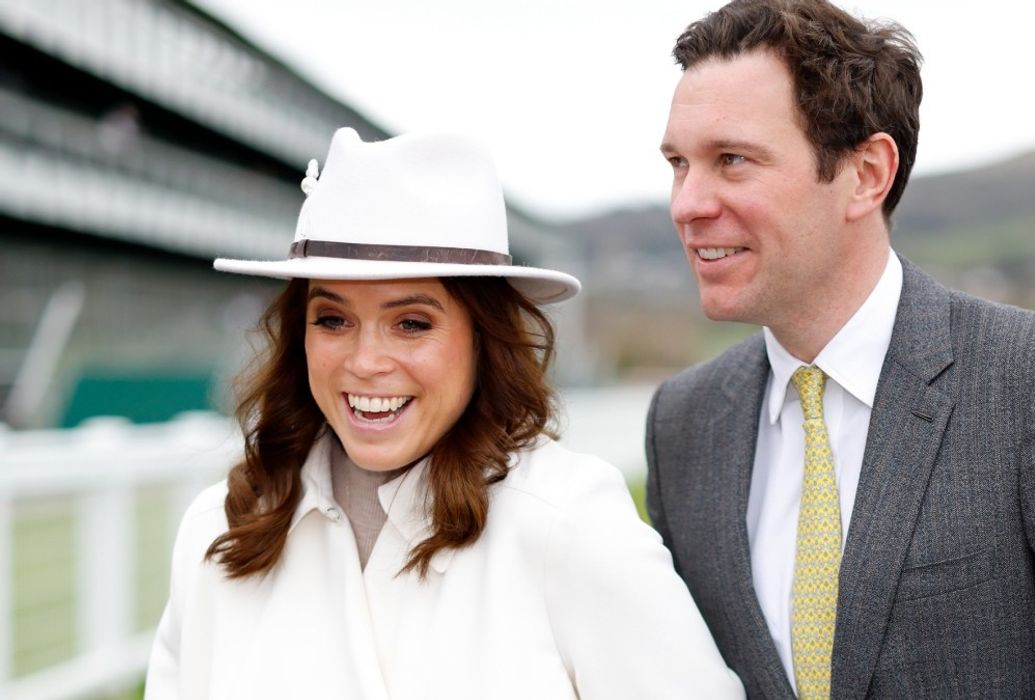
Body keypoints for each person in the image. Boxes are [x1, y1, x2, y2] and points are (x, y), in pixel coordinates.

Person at [645, 1, 1035, 697]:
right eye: (679, 163)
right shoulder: (683, 421)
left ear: (865, 174)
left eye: (731, 160)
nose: (686, 203)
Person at [145, 127, 744, 699]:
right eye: (332, 319)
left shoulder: (569, 522)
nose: (365, 361)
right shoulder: (220, 528)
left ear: (483, 338)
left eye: (411, 323)